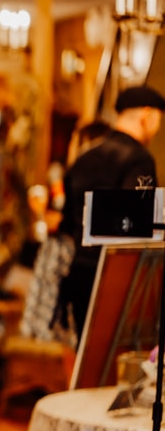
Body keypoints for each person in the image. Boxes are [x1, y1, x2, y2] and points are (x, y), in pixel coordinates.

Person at [58, 85, 165, 339]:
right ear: (146, 115)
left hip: (80, 273)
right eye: (159, 120)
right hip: (116, 278)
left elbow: (67, 223)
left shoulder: (84, 158)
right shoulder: (138, 160)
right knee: (117, 359)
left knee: (88, 355)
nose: (158, 128)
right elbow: (137, 227)